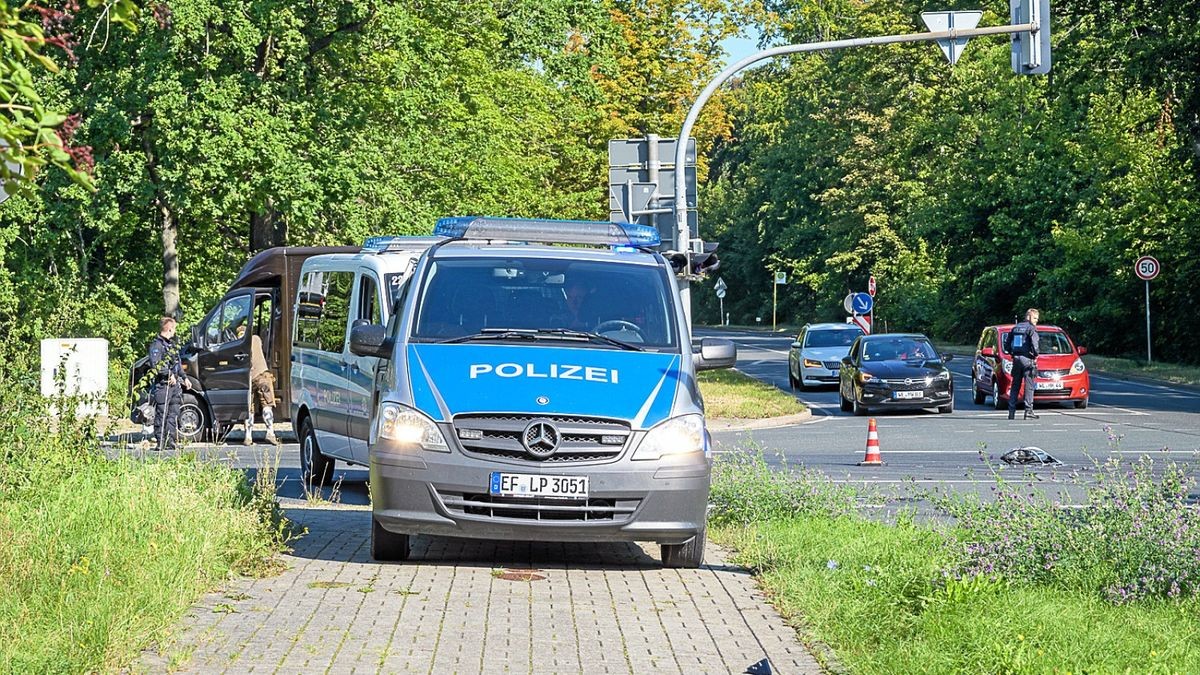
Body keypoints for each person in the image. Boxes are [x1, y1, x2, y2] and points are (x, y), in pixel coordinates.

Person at [147, 316, 191, 451]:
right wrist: (168, 374)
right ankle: (160, 442)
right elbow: (156, 366)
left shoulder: (172, 346)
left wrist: (184, 378)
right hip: (163, 385)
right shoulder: (157, 346)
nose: (175, 331)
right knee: (162, 414)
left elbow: (177, 363)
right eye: (174, 329)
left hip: (174, 386)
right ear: (169, 328)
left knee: (173, 414)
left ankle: (170, 441)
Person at [237, 324, 278, 445]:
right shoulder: (256, 338)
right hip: (263, 376)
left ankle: (248, 437)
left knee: (250, 407)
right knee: (267, 404)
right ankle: (270, 433)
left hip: (249, 377)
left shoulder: (240, 344)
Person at [1008, 308, 1041, 420]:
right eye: (1035, 318)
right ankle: (1028, 411)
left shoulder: (1015, 328)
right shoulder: (1031, 329)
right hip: (1027, 360)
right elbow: (1035, 344)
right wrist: (1036, 354)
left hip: (1016, 359)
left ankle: (1011, 411)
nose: (1036, 321)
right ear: (1029, 316)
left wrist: (1012, 353)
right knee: (1029, 386)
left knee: (1015, 386)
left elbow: (1007, 344)